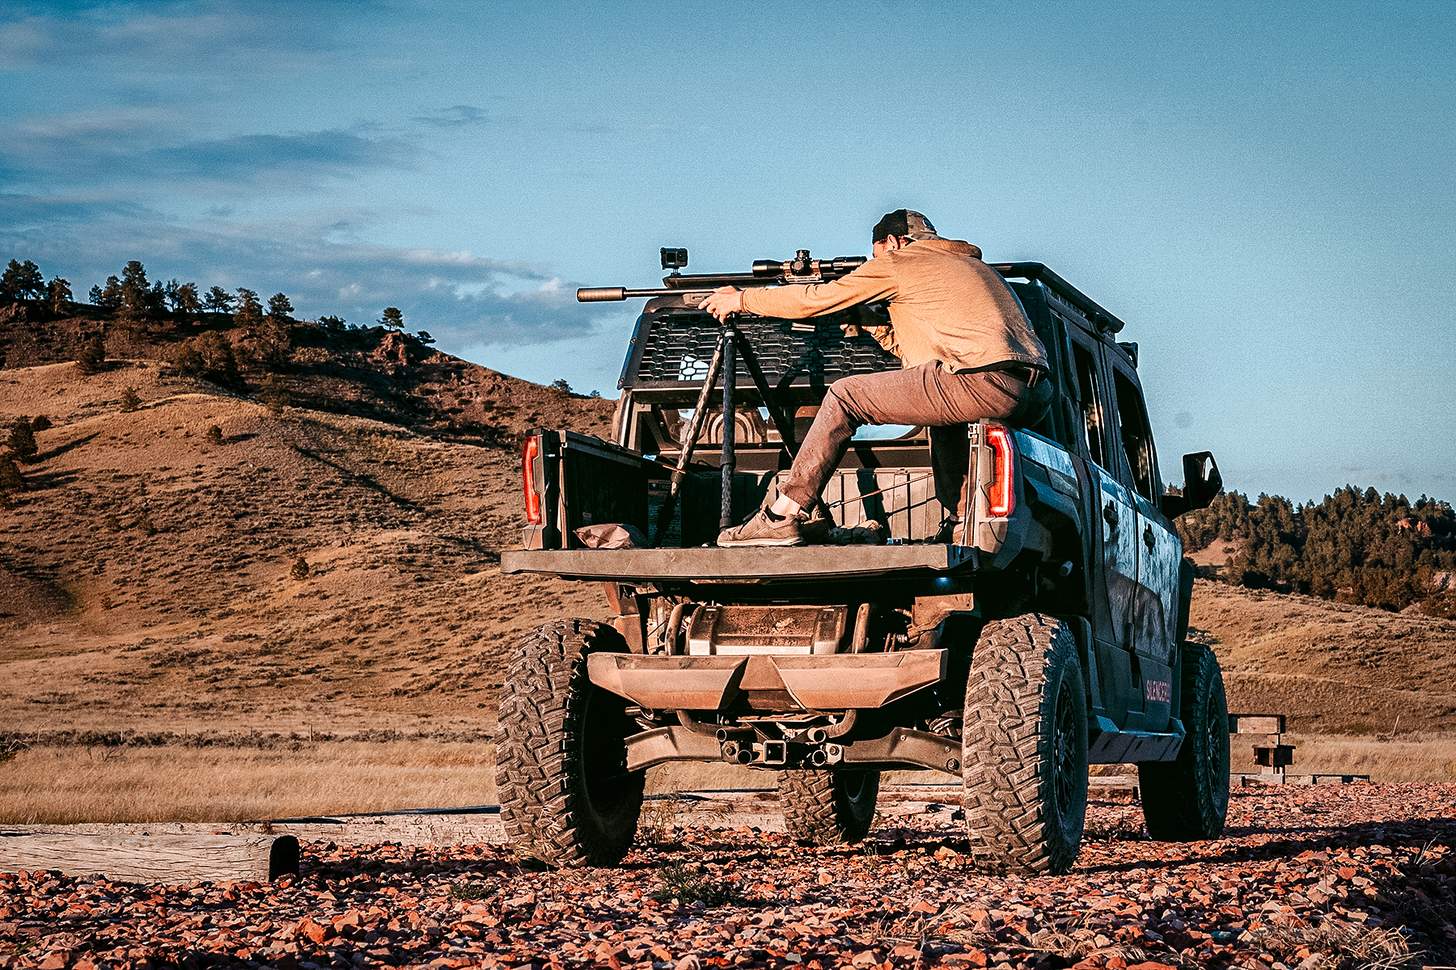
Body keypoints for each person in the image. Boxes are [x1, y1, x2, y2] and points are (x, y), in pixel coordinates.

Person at [701, 209, 1051, 547]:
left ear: (895, 242)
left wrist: (742, 299)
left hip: (979, 379)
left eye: (875, 255)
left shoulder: (901, 262)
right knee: (943, 418)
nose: (874, 263)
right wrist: (868, 321)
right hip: (1030, 392)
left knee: (845, 396)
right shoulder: (970, 268)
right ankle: (959, 522)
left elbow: (816, 300)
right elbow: (920, 354)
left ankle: (783, 515)